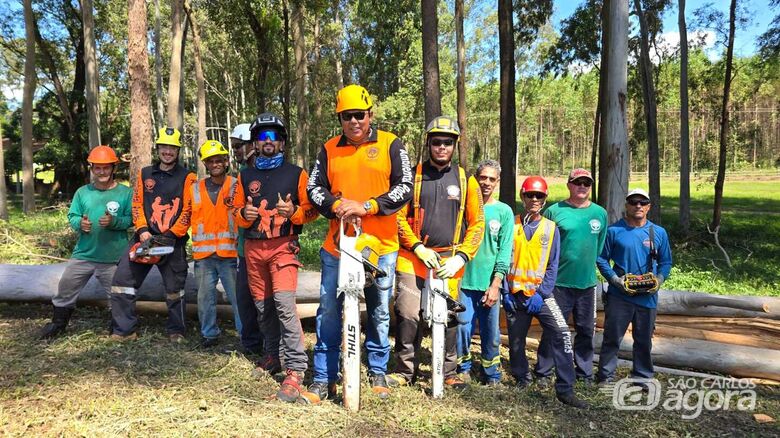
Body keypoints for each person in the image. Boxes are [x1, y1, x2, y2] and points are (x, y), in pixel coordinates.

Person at [306, 84, 413, 403]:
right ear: (340, 118)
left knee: (379, 310)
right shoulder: (328, 149)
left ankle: (377, 370)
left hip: (380, 246)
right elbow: (314, 188)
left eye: (360, 115)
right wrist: (338, 206)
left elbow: (405, 186)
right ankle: (324, 377)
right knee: (328, 310)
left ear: (370, 115)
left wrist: (367, 206)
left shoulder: (391, 144)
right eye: (347, 116)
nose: (354, 121)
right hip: (337, 247)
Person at [387, 116, 485, 392]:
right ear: (428, 143)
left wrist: (462, 257)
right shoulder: (412, 177)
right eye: (437, 142)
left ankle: (449, 372)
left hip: (450, 259)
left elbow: (478, 223)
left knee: (451, 315)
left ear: (455, 146)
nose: (442, 147)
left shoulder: (467, 181)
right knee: (407, 312)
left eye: (448, 142)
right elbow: (398, 217)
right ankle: (405, 370)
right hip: (413, 257)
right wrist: (417, 246)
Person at [230, 113, 319, 403]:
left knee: (283, 304)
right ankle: (271, 355)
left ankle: (295, 368)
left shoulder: (297, 173)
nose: (268, 142)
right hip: (254, 248)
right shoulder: (245, 176)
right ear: (255, 142)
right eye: (262, 137)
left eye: (273, 137)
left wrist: (292, 212)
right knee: (263, 306)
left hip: (283, 246)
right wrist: (244, 215)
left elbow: (312, 210)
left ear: (281, 142)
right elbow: (236, 211)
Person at [502, 176, 588, 408]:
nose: (534, 199)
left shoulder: (551, 229)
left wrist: (542, 293)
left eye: (539, 195)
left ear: (545, 199)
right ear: (522, 196)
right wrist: (505, 291)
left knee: (561, 334)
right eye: (530, 194)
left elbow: (552, 264)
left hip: (541, 296)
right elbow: (501, 260)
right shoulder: (512, 225)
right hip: (514, 294)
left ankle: (565, 388)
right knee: (517, 341)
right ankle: (522, 378)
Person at [110, 127, 197, 342]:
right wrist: (142, 230)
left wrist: (172, 234)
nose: (167, 151)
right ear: (158, 148)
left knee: (175, 288)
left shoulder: (189, 177)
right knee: (123, 279)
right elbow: (137, 203)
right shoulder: (145, 173)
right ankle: (124, 330)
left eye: (172, 148)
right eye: (164, 146)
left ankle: (176, 330)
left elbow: (188, 209)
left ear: (177, 150)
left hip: (172, 241)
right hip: (145, 238)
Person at [38, 146, 133, 339]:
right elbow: (72, 215)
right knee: (65, 288)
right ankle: (58, 325)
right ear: (91, 168)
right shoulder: (82, 192)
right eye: (97, 168)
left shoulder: (125, 193)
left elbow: (132, 219)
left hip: (113, 257)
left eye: (106, 167)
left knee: (117, 294)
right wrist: (80, 223)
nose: (102, 172)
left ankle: (118, 327)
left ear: (113, 168)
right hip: (84, 254)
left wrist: (114, 222)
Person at [534, 168, 607, 386]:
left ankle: (584, 373)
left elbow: (599, 247)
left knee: (585, 329)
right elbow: (542, 245)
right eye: (577, 182)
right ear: (569, 185)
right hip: (558, 284)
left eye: (586, 183)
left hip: (587, 284)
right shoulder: (555, 211)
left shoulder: (599, 214)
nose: (582, 186)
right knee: (553, 329)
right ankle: (544, 373)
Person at [595, 188, 672, 385]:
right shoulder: (614, 231)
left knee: (644, 340)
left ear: (648, 206)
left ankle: (643, 376)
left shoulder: (658, 233)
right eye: (633, 202)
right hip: (619, 295)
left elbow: (665, 262)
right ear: (626, 205)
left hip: (647, 296)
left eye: (642, 202)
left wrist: (660, 280)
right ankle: (605, 376)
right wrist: (614, 280)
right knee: (612, 338)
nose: (638, 206)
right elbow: (602, 259)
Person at [455, 159, 513, 385]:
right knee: (462, 327)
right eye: (483, 178)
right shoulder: (463, 208)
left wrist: (496, 283)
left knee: (491, 333)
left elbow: (505, 250)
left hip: (490, 283)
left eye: (491, 179)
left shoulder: (504, 212)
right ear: (475, 180)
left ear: (497, 182)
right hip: (463, 282)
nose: (486, 183)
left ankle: (491, 372)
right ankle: (463, 368)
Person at [191, 140, 242, 347]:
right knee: (205, 298)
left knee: (238, 297)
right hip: (203, 256)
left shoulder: (236, 185)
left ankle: (245, 334)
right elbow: (187, 216)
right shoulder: (195, 188)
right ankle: (209, 334)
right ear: (206, 164)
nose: (215, 164)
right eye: (210, 161)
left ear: (226, 160)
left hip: (229, 253)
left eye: (219, 160)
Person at [230, 122, 263, 356]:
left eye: (239, 146)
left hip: (267, 247)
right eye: (234, 147)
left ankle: (272, 344)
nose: (236, 151)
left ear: (252, 144)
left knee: (268, 300)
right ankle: (251, 345)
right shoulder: (242, 175)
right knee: (244, 298)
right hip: (244, 248)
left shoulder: (268, 172)